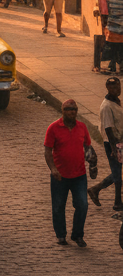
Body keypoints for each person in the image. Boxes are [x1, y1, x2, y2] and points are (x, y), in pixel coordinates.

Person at [44, 97, 93, 246]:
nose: (72, 112)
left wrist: (93, 163)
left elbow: (88, 147)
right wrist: (53, 169)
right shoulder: (53, 128)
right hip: (60, 176)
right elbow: (48, 151)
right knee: (58, 206)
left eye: (74, 109)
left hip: (79, 175)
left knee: (82, 205)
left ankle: (77, 235)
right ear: (62, 111)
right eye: (69, 109)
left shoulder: (82, 127)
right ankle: (61, 235)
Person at [88, 76, 123, 212]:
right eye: (113, 87)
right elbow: (108, 129)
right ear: (108, 88)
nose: (117, 89)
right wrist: (114, 149)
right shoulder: (106, 106)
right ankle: (117, 202)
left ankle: (95, 189)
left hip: (119, 142)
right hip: (112, 144)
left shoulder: (116, 101)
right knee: (117, 173)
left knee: (117, 172)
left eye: (118, 86)